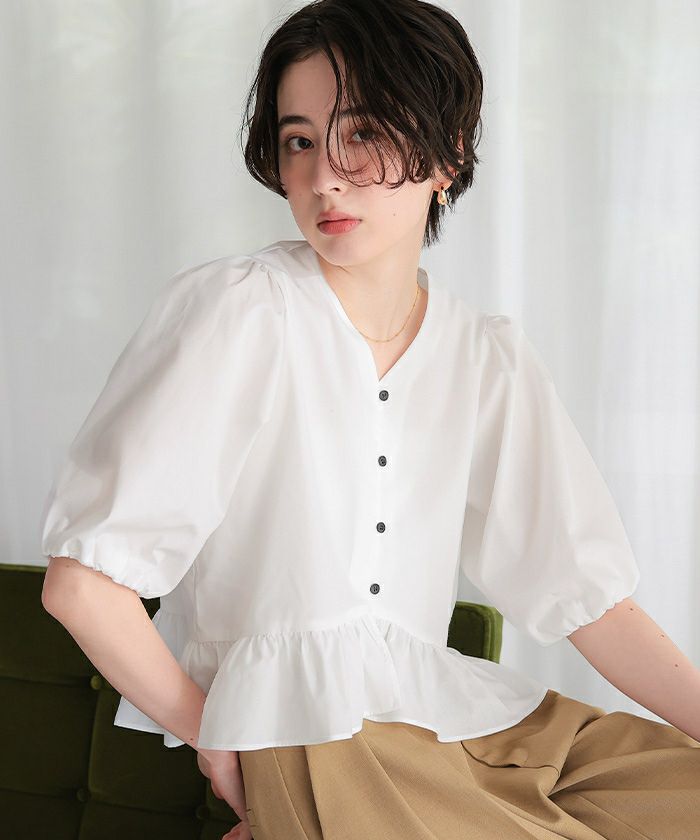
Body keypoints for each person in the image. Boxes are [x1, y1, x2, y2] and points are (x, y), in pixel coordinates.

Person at [39, 1, 700, 838]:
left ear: (447, 155)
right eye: (299, 141)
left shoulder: (484, 355)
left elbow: (590, 601)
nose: (325, 177)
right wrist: (218, 742)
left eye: (365, 133)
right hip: (322, 737)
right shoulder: (243, 313)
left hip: (470, 720)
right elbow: (83, 586)